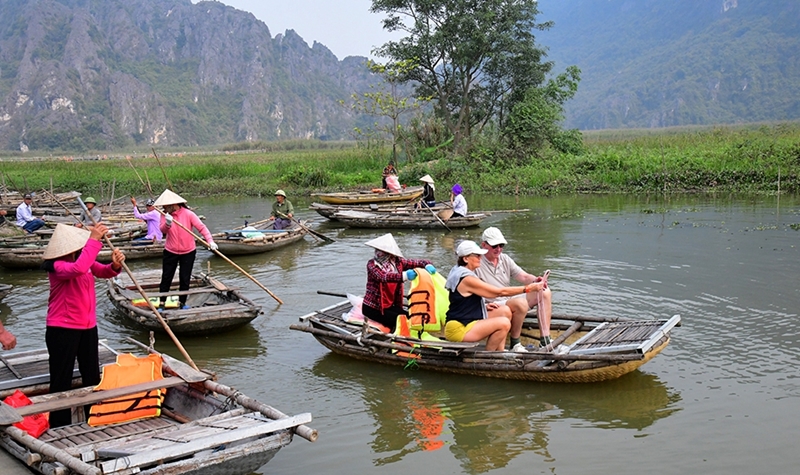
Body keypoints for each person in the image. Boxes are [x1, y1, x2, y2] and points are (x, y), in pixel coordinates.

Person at [41, 222, 125, 427]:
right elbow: (77, 269)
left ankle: (93, 417)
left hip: (87, 327)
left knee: (91, 376)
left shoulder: (83, 260)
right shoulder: (58, 266)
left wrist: (115, 265)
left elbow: (102, 271)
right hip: (63, 328)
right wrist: (94, 240)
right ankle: (59, 425)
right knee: (61, 379)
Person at [444, 240, 541, 352]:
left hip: (468, 320)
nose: (480, 258)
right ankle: (488, 356)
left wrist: (483, 306)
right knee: (504, 323)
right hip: (459, 328)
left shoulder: (459, 271)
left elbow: (461, 300)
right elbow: (499, 292)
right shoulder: (467, 279)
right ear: (465, 259)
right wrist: (528, 288)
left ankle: (500, 351)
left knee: (505, 310)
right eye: (477, 256)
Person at [473, 227, 553, 351]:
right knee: (520, 303)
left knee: (544, 292)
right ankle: (515, 342)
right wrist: (483, 305)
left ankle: (545, 340)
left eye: (501, 245)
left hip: (507, 298)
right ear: (484, 245)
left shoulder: (504, 259)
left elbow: (523, 276)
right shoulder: (476, 263)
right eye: (494, 246)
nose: (498, 249)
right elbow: (472, 291)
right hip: (492, 304)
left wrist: (535, 280)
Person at [155, 189, 217, 310]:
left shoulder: (188, 214)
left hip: (188, 251)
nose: (164, 208)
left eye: (166, 206)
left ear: (173, 204)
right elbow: (162, 230)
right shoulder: (164, 215)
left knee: (185, 278)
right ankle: (162, 303)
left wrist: (210, 241)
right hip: (170, 251)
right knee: (166, 277)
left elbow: (201, 228)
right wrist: (167, 223)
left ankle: (182, 303)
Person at [363, 233, 435, 332]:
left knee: (410, 318)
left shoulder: (397, 263)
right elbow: (383, 276)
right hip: (373, 308)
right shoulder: (372, 264)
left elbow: (418, 262)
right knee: (400, 321)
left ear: (389, 253)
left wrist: (427, 264)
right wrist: (404, 276)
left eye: (382, 251)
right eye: (377, 250)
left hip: (390, 306)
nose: (378, 253)